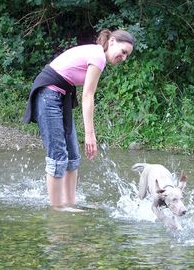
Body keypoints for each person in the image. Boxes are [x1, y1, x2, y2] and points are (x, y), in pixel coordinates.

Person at [23, 29, 135, 210]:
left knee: (73, 156)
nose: (124, 58)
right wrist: (90, 135)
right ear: (112, 41)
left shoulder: (98, 55)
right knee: (58, 155)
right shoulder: (98, 56)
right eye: (123, 52)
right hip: (48, 94)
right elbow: (87, 96)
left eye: (127, 55)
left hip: (60, 96)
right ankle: (57, 210)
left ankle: (70, 204)